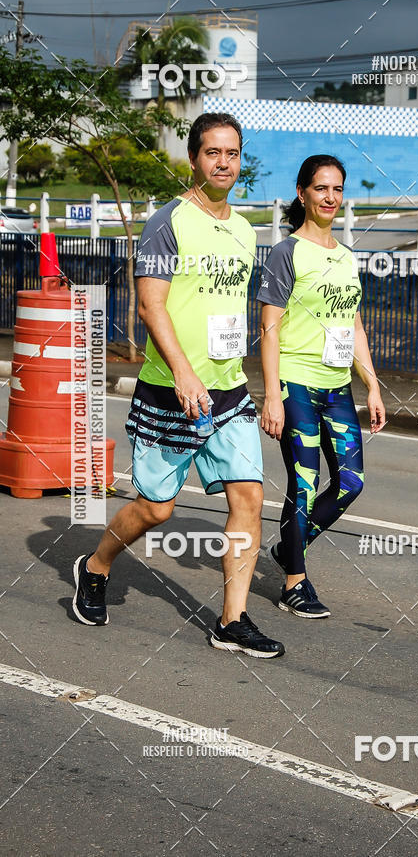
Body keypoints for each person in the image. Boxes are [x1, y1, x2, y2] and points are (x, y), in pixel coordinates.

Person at [72, 112, 285, 659]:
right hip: (172, 389)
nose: (223, 162)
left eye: (232, 153)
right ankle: (95, 567)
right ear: (194, 159)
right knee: (157, 509)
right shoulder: (167, 222)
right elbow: (150, 304)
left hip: (228, 390)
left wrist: (260, 381)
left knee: (249, 497)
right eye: (212, 152)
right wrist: (185, 370)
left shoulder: (244, 229)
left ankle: (232, 620)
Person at [258, 154, 385, 618]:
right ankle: (295, 582)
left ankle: (290, 548)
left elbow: (354, 327)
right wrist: (272, 395)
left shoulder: (348, 258)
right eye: (321, 188)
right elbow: (269, 328)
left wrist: (371, 385)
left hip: (337, 388)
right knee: (305, 483)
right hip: (296, 384)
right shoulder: (285, 252)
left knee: (351, 482)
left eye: (337, 189)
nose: (330, 197)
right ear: (302, 193)